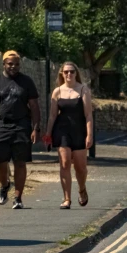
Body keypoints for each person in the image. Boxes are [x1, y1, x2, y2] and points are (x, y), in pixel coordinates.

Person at [44, 62, 93, 209]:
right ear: (62, 74)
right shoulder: (57, 92)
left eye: (71, 72)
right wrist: (48, 135)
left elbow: (88, 114)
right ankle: (67, 199)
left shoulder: (83, 90)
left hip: (79, 131)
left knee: (80, 168)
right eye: (66, 72)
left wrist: (89, 135)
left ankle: (82, 189)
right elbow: (53, 116)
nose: (69, 74)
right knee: (64, 164)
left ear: (76, 73)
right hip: (62, 131)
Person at [0, 51, 41, 209]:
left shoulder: (26, 81)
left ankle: (18, 197)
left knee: (20, 163)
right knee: (0, 163)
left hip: (21, 126)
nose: (14, 67)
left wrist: (35, 128)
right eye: (10, 64)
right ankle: (5, 185)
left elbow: (34, 106)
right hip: (1, 126)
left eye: (16, 64)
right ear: (4, 64)